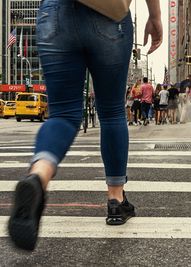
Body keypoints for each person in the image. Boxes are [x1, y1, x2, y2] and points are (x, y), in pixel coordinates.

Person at [8, 0, 163, 251]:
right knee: (112, 112)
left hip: (55, 14)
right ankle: (115, 199)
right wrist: (154, 15)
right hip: (109, 14)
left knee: (62, 114)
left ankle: (38, 175)